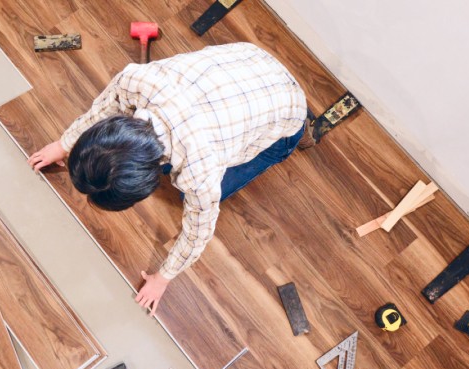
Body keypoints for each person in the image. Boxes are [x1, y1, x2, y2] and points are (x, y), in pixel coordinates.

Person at [28, 42, 308, 316]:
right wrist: (65, 144)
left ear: (146, 185)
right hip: (249, 57)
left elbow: (197, 234)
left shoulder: (201, 171)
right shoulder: (135, 80)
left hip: (287, 109)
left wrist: (162, 278)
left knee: (192, 196)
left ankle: (303, 134)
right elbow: (102, 111)